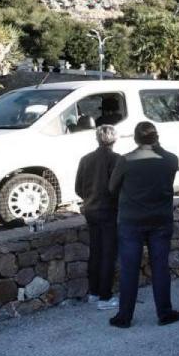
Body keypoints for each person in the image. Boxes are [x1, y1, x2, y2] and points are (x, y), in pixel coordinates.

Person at [107, 122, 179, 328]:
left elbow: (112, 187)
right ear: (156, 137)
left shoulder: (126, 160)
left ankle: (124, 316)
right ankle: (164, 312)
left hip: (131, 220)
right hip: (160, 219)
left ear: (135, 139)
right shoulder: (170, 159)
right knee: (160, 267)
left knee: (129, 269)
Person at [75, 124, 120, 311]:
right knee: (108, 253)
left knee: (95, 252)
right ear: (115, 140)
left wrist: (89, 198)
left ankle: (94, 292)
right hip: (109, 211)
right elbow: (118, 186)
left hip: (91, 210)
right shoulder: (117, 159)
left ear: (97, 138)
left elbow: (78, 187)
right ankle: (105, 296)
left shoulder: (85, 159)